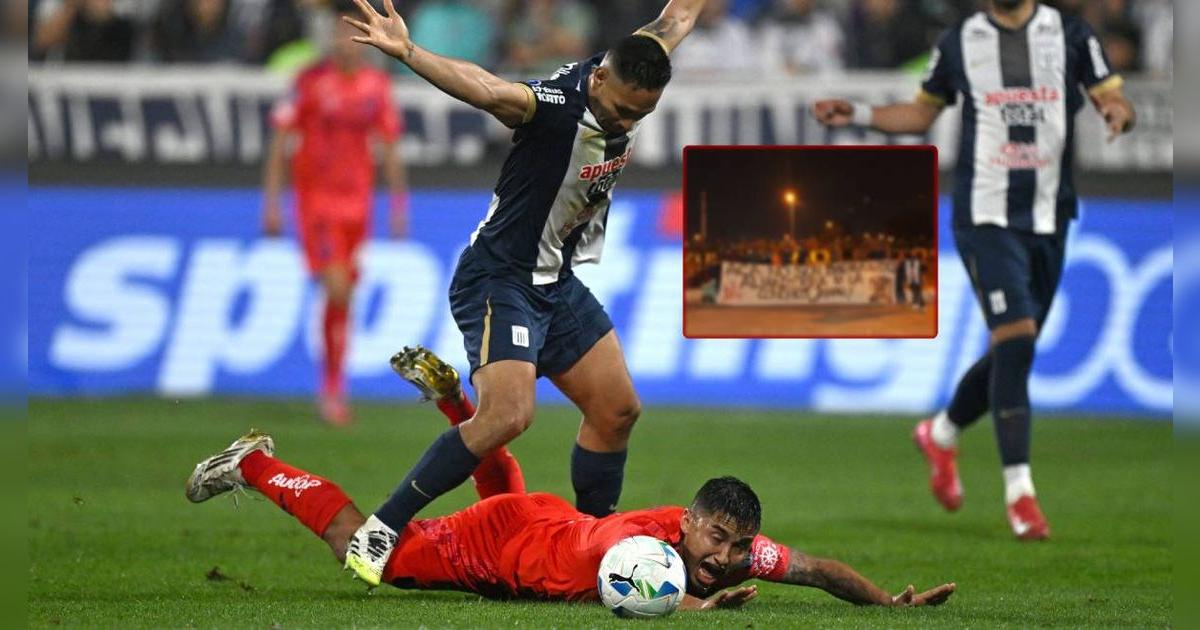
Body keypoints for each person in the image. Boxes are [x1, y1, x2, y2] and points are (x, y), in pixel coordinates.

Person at [337, 0, 704, 586]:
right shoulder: (553, 109)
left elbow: (678, 16)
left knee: (617, 411)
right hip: (499, 277)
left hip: (553, 281)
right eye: (620, 111)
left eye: (641, 115)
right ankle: (381, 528)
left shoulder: (637, 64)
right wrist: (407, 52)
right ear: (601, 78)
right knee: (508, 415)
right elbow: (486, 89)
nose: (625, 124)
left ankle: (592, 543)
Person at [812, 0, 1135, 540]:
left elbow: (1111, 93)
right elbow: (921, 112)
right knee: (1017, 335)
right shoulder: (960, 41)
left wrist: (1117, 112)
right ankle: (1021, 494)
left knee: (1015, 347)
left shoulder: (1071, 35)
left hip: (1050, 217)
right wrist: (861, 116)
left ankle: (941, 432)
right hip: (984, 216)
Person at [185, 424, 956, 609]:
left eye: (734, 546)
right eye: (716, 539)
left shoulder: (723, 552)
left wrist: (886, 603)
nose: (723, 557)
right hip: (500, 545)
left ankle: (466, 412)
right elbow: (637, 578)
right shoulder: (642, 543)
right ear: (687, 523)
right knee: (370, 556)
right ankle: (254, 460)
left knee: (508, 498)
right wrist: (697, 606)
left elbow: (815, 569)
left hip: (538, 521)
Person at [262, 0, 408, 426]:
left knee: (342, 294)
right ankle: (332, 391)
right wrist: (272, 204)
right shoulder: (309, 82)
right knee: (339, 287)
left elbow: (389, 147)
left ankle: (331, 387)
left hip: (357, 206)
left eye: (352, 32)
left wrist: (398, 205)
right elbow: (280, 144)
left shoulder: (376, 86)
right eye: (338, 32)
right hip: (316, 205)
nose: (345, 41)